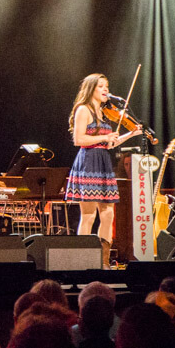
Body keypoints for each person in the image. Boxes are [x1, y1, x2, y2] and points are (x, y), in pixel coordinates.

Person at [65, 74, 142, 268]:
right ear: (91, 89)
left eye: (106, 86)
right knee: (89, 215)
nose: (105, 89)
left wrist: (131, 133)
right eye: (101, 86)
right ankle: (81, 262)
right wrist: (104, 139)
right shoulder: (84, 109)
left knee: (108, 214)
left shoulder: (103, 112)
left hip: (103, 162)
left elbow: (110, 143)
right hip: (89, 162)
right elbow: (79, 140)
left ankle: (104, 261)